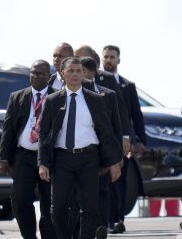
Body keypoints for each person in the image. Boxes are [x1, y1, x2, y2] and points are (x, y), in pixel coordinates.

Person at [38, 57, 123, 239]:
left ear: (83, 73)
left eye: (79, 71)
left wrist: (114, 161)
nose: (76, 74)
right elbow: (44, 134)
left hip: (88, 158)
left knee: (89, 207)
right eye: (71, 71)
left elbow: (106, 132)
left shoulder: (95, 99)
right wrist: (43, 163)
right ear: (63, 73)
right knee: (58, 207)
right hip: (62, 159)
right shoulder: (52, 100)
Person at [0, 60, 57, 239]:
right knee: (20, 199)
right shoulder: (17, 97)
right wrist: (3, 158)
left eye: (40, 74)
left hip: (49, 159)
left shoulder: (57, 97)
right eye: (33, 73)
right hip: (24, 156)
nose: (35, 76)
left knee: (49, 202)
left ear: (49, 77)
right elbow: (8, 130)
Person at [102, 45, 146, 234]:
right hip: (104, 140)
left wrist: (140, 140)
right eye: (106, 57)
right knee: (105, 181)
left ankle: (118, 218)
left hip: (124, 141)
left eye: (112, 57)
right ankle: (108, 219)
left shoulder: (127, 86)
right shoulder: (96, 82)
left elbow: (136, 114)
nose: (109, 60)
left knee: (120, 179)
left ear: (118, 60)